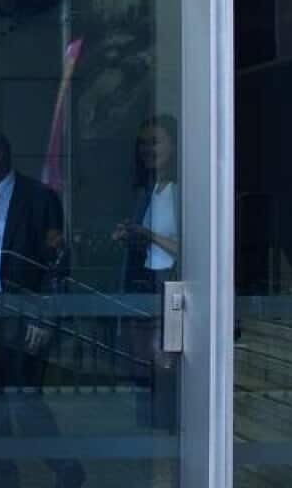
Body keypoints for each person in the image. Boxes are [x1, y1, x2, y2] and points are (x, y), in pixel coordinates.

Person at [0, 129, 85, 488]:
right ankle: (0, 474)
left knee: (24, 398)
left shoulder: (39, 198)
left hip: (23, 317)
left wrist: (43, 315)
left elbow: (58, 263)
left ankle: (66, 468)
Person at [113, 114, 180, 431]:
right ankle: (153, 436)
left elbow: (192, 249)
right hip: (144, 288)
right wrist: (130, 236)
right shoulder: (147, 190)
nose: (147, 149)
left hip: (171, 289)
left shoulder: (183, 191)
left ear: (175, 145)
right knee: (143, 369)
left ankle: (171, 433)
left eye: (155, 142)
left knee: (165, 369)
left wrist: (147, 234)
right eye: (142, 143)